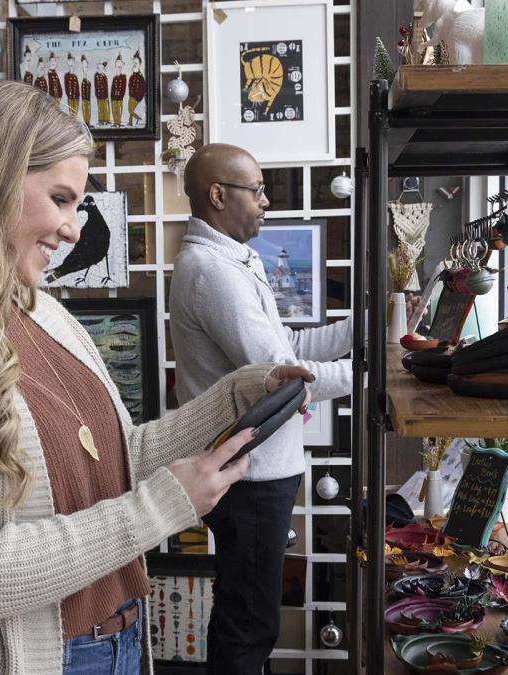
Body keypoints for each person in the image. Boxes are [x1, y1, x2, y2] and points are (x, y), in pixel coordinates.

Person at [0, 82, 312, 675]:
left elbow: (118, 459)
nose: (75, 229)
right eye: (61, 198)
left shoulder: (43, 312)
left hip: (120, 643)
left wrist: (236, 394)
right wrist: (162, 508)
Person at [168, 143, 353, 674]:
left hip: (257, 471)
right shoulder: (212, 272)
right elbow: (282, 376)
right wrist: (366, 378)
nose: (267, 202)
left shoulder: (229, 261)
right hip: (249, 477)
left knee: (249, 617)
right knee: (249, 625)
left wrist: (360, 330)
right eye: (258, 190)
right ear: (219, 195)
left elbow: (285, 346)